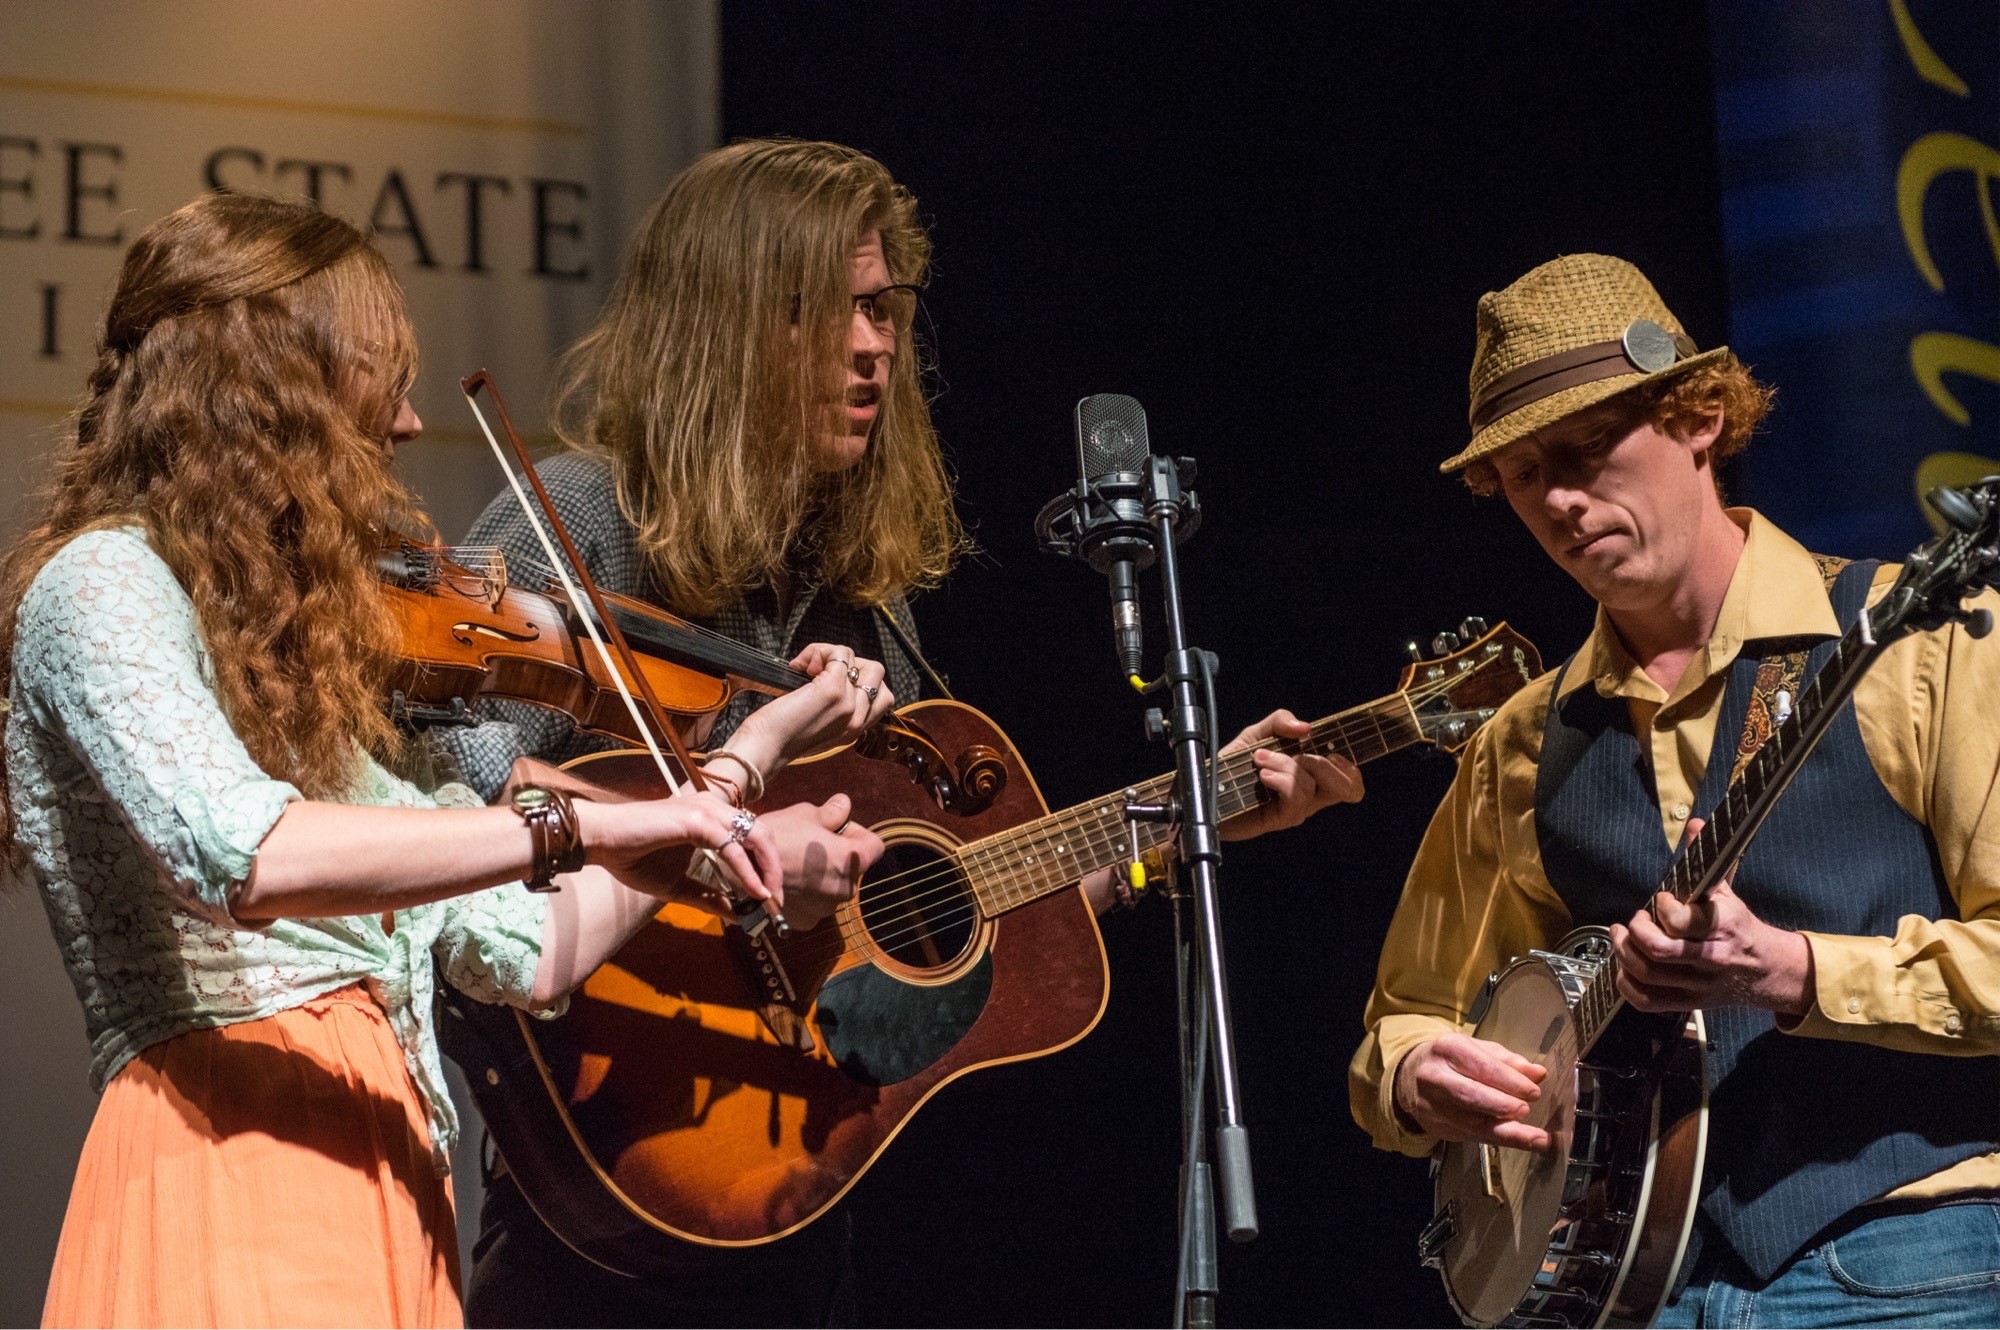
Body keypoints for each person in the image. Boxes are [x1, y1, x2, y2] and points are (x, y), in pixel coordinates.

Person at [446, 138, 1364, 1328]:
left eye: (882, 309)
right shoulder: (581, 522)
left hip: (795, 1205)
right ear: (722, 324)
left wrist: (1193, 812)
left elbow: (955, 900)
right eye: (826, 313)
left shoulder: (855, 601)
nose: (874, 347)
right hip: (606, 1197)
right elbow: (455, 804)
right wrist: (728, 844)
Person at [6, 191, 887, 1329]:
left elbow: (529, 952)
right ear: (271, 390)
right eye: (383, 376)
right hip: (233, 1156)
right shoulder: (101, 584)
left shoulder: (303, 679)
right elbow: (246, 847)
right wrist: (589, 823)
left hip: (383, 1185)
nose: (411, 423)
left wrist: (744, 758)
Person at [1349, 253, 2000, 1325]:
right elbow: (1406, 1015)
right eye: (1520, 475)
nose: (1558, 498)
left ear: (1699, 416)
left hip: (1908, 1254)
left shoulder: (1915, 645)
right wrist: (1421, 1076)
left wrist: (1794, 970)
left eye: (1586, 449)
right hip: (1635, 1291)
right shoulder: (1517, 743)